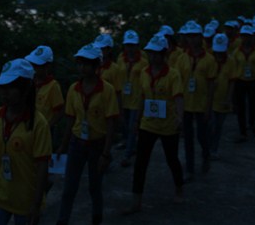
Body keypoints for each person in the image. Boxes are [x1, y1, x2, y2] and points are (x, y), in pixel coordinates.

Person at [0, 59, 52, 225]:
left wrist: (36, 204)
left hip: (26, 199)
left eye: (10, 87)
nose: (4, 93)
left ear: (25, 89)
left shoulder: (38, 123)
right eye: (2, 87)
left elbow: (42, 166)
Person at [56, 44, 119, 225]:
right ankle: (62, 220)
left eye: (86, 63)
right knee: (69, 187)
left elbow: (111, 122)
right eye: (80, 63)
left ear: (96, 65)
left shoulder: (107, 90)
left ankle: (96, 218)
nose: (82, 68)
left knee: (95, 186)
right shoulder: (74, 89)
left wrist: (106, 153)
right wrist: (63, 145)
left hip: (97, 144)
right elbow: (70, 119)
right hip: (77, 143)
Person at [123, 34, 184, 215]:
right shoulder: (144, 73)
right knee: (141, 163)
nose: (153, 57)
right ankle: (136, 201)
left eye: (157, 53)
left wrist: (180, 117)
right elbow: (142, 97)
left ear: (164, 54)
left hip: (168, 125)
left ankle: (179, 188)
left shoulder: (173, 74)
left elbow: (178, 97)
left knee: (172, 159)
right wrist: (137, 120)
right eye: (151, 53)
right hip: (148, 123)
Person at [177, 21, 217, 179]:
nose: (192, 39)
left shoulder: (209, 59)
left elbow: (211, 85)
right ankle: (190, 168)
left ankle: (206, 155)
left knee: (202, 136)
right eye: (189, 36)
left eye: (194, 36)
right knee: (188, 138)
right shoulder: (182, 58)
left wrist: (208, 107)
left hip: (201, 103)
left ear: (200, 37)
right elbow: (178, 83)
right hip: (186, 103)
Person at [116, 30, 148, 167]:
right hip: (124, 97)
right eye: (128, 45)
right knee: (124, 123)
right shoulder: (120, 59)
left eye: (132, 45)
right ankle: (130, 145)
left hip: (136, 98)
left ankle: (127, 155)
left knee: (132, 126)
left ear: (137, 46)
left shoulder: (143, 62)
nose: (130, 48)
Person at [232, 26, 255, 142]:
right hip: (240, 81)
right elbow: (234, 66)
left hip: (253, 81)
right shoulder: (236, 52)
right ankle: (242, 130)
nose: (246, 39)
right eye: (244, 36)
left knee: (253, 105)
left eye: (248, 36)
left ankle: (252, 123)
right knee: (241, 107)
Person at [25, 46, 64, 136]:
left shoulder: (53, 86)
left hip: (44, 129)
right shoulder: (30, 82)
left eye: (37, 65)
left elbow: (59, 111)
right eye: (33, 64)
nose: (34, 68)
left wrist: (48, 126)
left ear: (47, 66)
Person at [209, 34, 236, 160]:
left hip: (223, 99)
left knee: (219, 127)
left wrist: (229, 98)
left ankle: (214, 148)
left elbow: (232, 81)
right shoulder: (209, 60)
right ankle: (207, 147)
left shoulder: (231, 61)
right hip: (210, 99)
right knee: (211, 125)